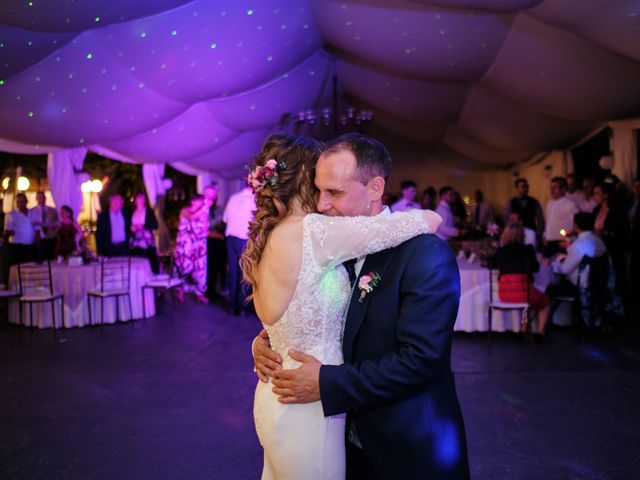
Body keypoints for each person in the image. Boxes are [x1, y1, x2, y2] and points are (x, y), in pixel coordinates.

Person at [253, 133, 469, 479]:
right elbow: (314, 311)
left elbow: (421, 361)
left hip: (403, 448)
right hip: (339, 439)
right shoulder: (330, 247)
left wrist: (327, 383)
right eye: (318, 190)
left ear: (375, 188)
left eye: (334, 193)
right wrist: (268, 340)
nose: (321, 205)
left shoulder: (425, 255)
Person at [493, 222, 549, 335]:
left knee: (531, 301)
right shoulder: (528, 250)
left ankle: (524, 327)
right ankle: (539, 333)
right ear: (522, 235)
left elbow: (493, 265)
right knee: (544, 301)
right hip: (524, 293)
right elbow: (536, 268)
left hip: (504, 294)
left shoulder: (500, 251)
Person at [593, 182, 629, 306]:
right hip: (599, 250)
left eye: (597, 193)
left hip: (613, 250)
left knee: (616, 278)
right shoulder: (596, 210)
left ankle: (619, 305)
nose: (595, 196)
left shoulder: (616, 210)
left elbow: (622, 230)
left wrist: (606, 233)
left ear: (606, 195)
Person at [223, 184, 255, 315]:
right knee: (244, 273)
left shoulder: (233, 198)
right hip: (244, 239)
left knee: (233, 272)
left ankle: (232, 306)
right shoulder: (254, 200)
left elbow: (225, 219)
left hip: (230, 238)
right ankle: (242, 308)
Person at [174, 193, 210, 304]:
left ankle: (199, 293)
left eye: (203, 201)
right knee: (184, 268)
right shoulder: (185, 210)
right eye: (200, 201)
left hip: (199, 245)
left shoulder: (204, 213)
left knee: (201, 270)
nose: (202, 203)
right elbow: (191, 217)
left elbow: (205, 229)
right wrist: (205, 208)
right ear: (193, 202)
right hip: (185, 245)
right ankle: (180, 291)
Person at [543, 176, 579, 258]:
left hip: (561, 243)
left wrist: (567, 239)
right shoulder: (549, 204)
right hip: (549, 242)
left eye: (555, 188)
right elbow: (548, 222)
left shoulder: (571, 205)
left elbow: (576, 226)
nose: (551, 191)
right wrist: (545, 234)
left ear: (564, 189)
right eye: (551, 188)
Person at [204, 185, 227, 300]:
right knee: (208, 267)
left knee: (218, 266)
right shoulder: (202, 209)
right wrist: (218, 233)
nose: (213, 198)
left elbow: (222, 223)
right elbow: (204, 230)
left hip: (218, 241)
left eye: (214, 195)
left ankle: (215, 289)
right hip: (206, 242)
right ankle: (207, 291)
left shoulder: (219, 209)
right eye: (210, 195)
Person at [504, 178, 545, 244]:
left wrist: (538, 233)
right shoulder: (512, 202)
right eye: (523, 187)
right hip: (516, 235)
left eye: (526, 186)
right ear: (517, 188)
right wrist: (510, 233)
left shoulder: (534, 201)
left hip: (532, 232)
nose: (525, 189)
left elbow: (540, 219)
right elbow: (506, 219)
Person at [129, 192, 160, 274]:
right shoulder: (132, 212)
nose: (141, 200)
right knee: (138, 260)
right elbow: (128, 226)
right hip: (136, 242)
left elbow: (155, 225)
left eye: (143, 198)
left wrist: (142, 226)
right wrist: (131, 228)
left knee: (150, 260)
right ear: (135, 200)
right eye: (139, 198)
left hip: (147, 241)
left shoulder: (149, 211)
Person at [4, 193, 36, 266]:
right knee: (18, 267)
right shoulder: (11, 214)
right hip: (17, 246)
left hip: (30, 245)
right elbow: (7, 229)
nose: (20, 204)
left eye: (22, 201)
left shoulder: (32, 212)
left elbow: (36, 227)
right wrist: (10, 232)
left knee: (30, 266)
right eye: (18, 202)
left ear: (26, 202)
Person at [29, 191, 59, 260]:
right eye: (39, 197)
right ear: (36, 199)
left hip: (50, 238)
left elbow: (56, 224)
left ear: (45, 198)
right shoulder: (32, 211)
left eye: (43, 197)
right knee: (40, 258)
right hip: (39, 238)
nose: (41, 199)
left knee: (51, 257)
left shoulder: (52, 210)